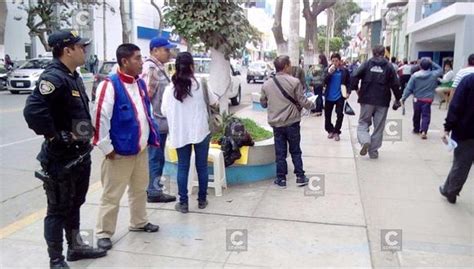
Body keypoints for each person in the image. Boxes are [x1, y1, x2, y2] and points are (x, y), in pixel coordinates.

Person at [23, 30, 107, 268]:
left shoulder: (73, 76)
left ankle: (76, 247)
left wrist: (82, 137)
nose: (85, 50)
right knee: (57, 209)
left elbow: (76, 113)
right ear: (67, 50)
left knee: (75, 203)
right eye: (81, 47)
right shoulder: (53, 78)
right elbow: (33, 111)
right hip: (61, 159)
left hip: (79, 155)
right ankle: (56, 260)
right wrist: (54, 135)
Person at [93, 43, 160, 250]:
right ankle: (104, 233)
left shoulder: (138, 83)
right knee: (112, 195)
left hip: (140, 150)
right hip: (119, 153)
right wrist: (106, 148)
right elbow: (99, 117)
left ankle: (138, 222)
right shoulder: (110, 85)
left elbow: (144, 113)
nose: (142, 62)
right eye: (137, 59)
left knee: (139, 189)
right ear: (124, 62)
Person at [161, 52, 218, 213]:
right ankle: (201, 200)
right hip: (201, 131)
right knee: (202, 166)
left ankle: (183, 203)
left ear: (176, 67)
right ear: (192, 66)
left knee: (183, 167)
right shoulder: (201, 84)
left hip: (180, 133)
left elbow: (163, 111)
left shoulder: (169, 88)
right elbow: (214, 102)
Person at [260, 55, 316, 188]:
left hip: (277, 124)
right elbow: (302, 101)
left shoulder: (267, 84)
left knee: (280, 153)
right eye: (290, 65)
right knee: (295, 150)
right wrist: (313, 105)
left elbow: (263, 103)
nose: (291, 67)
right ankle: (300, 176)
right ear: (285, 66)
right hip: (292, 122)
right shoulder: (294, 82)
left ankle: (281, 179)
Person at [141, 37, 177, 203]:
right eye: (166, 49)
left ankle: (154, 188)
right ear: (155, 50)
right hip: (156, 122)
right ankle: (154, 192)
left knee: (158, 157)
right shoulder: (152, 69)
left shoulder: (158, 67)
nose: (169, 53)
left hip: (160, 122)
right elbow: (145, 97)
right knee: (155, 158)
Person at [351, 45, 402, 159]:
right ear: (384, 53)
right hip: (383, 101)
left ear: (373, 53)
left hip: (367, 99)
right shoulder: (389, 66)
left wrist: (356, 89)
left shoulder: (367, 64)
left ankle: (365, 141)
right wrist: (398, 98)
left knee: (363, 123)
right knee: (378, 127)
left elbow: (354, 75)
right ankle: (373, 151)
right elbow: (395, 84)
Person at [439, 73, 474, 204]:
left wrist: (447, 127)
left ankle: (451, 191)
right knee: (460, 164)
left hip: (467, 130)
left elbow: (456, 106)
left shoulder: (469, 80)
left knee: (461, 164)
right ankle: (448, 189)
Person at [401, 58, 443, 139]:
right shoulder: (433, 75)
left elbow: (409, 88)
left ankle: (416, 129)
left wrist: (403, 98)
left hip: (417, 99)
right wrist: (432, 62)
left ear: (420, 66)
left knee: (416, 115)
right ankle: (424, 131)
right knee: (426, 115)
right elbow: (440, 69)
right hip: (428, 99)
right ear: (429, 66)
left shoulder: (415, 76)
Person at [323, 53, 351, 142]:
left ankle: (337, 131)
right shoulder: (328, 70)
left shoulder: (344, 71)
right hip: (329, 96)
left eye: (336, 61)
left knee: (339, 114)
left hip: (340, 96)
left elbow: (349, 82)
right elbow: (323, 81)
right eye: (333, 61)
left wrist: (348, 92)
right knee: (327, 115)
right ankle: (330, 130)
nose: (334, 62)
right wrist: (329, 73)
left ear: (340, 61)